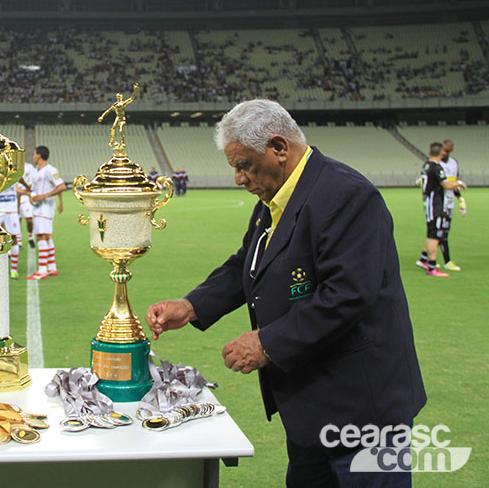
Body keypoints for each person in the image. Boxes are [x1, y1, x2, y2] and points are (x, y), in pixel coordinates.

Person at [145, 100, 426, 487]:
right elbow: (248, 263)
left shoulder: (347, 195)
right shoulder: (274, 199)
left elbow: (347, 294)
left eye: (244, 165)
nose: (239, 179)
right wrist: (192, 305)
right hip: (311, 409)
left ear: (279, 148)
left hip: (363, 411)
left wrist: (266, 342)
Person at [415, 142, 466, 278]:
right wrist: (459, 183)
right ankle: (432, 267)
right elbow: (446, 184)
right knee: (434, 235)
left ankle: (423, 260)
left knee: (431, 232)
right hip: (435, 205)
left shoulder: (426, 165)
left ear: (430, 152)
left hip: (428, 203)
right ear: (441, 153)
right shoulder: (437, 168)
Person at [26, 146, 66, 280]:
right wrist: (34, 198)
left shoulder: (50, 170)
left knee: (41, 236)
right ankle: (52, 267)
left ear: (39, 155)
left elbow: (61, 186)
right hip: (39, 208)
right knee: (47, 236)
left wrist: (43, 197)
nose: (33, 157)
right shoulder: (36, 171)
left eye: (34, 154)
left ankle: (42, 270)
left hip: (45, 208)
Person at [437, 139, 467, 271]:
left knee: (442, 232)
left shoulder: (454, 163)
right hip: (439, 202)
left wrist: (461, 200)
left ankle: (426, 258)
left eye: (447, 151)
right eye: (443, 150)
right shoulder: (436, 164)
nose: (444, 153)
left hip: (449, 203)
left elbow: (454, 185)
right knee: (440, 232)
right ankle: (446, 261)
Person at [0, 182, 23, 279]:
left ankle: (14, 270)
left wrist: (25, 188)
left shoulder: (12, 169)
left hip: (10, 207)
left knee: (14, 238)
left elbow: (18, 180)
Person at [98, 83, 139, 150]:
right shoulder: (115, 105)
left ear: (121, 97)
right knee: (113, 128)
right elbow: (108, 110)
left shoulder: (123, 103)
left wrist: (135, 90)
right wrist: (102, 116)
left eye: (119, 97)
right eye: (117, 97)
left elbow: (132, 98)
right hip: (117, 117)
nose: (118, 98)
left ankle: (123, 143)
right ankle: (112, 140)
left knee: (120, 130)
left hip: (122, 118)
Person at [18, 161, 37, 249]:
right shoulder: (11, 166)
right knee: (17, 220)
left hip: (26, 196)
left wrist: (31, 193)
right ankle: (19, 241)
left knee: (29, 219)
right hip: (15, 196)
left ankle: (30, 238)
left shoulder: (29, 166)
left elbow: (34, 180)